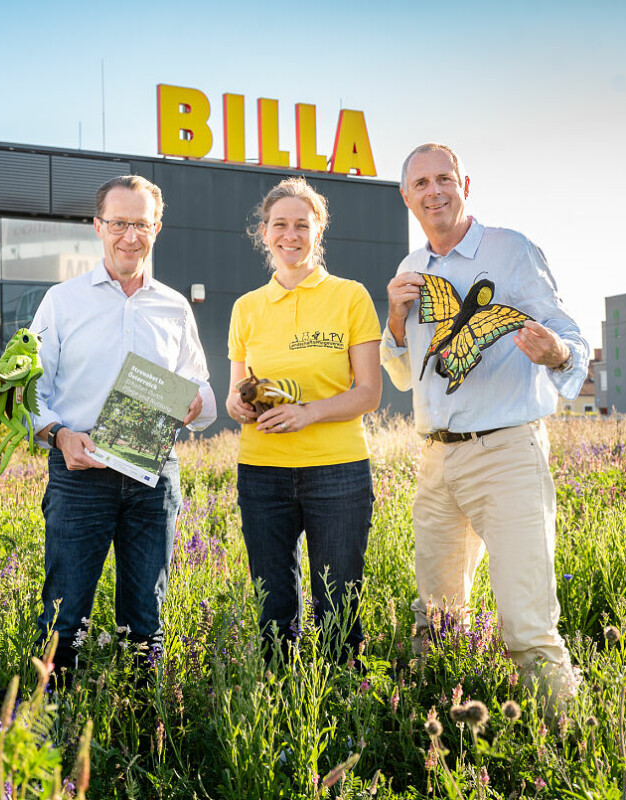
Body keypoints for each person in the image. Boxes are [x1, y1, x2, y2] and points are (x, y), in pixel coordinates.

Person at [381, 142, 588, 708]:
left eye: (444, 178)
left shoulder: (511, 250)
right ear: (406, 197)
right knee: (436, 620)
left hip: (505, 453)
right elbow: (403, 377)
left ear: (465, 185)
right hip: (436, 460)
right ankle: (434, 739)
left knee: (528, 624)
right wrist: (395, 318)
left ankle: (565, 750)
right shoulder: (410, 269)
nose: (434, 192)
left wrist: (557, 356)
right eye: (420, 184)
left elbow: (570, 334)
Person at [29, 175, 216, 677]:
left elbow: (200, 385)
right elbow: (27, 392)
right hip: (79, 474)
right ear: (98, 227)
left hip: (152, 477)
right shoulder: (62, 301)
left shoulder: (174, 306)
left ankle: (140, 726)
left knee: (146, 618)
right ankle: (52, 727)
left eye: (141, 224)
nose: (129, 236)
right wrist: (58, 434)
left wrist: (195, 403)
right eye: (118, 223)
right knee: (64, 616)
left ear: (157, 228)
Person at [225, 177, 382, 663]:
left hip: (337, 472)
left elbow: (368, 393)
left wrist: (308, 413)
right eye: (279, 225)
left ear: (319, 231)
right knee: (273, 609)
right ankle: (281, 704)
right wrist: (238, 406)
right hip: (262, 473)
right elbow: (237, 392)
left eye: (301, 225)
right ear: (265, 232)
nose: (289, 235)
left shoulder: (350, 297)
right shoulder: (246, 308)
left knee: (337, 605)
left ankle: (340, 704)